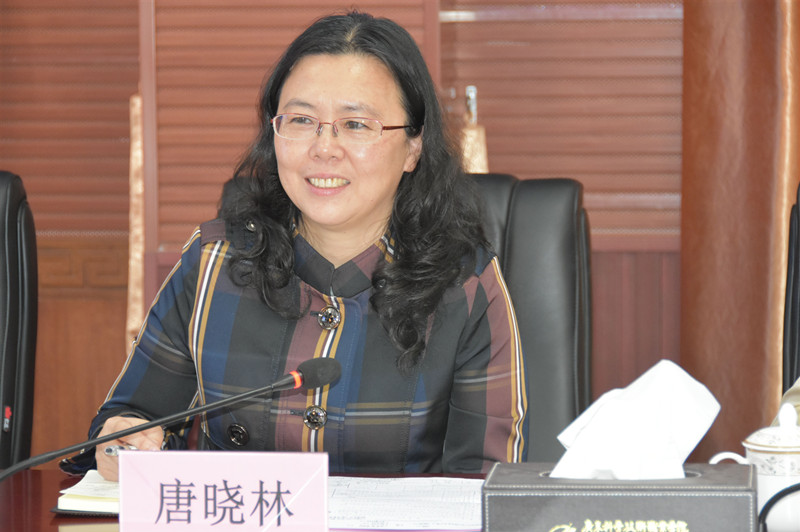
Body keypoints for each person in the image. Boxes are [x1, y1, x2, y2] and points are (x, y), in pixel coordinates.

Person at [82, 11, 527, 481]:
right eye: (301, 119)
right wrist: (123, 442)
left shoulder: (466, 287)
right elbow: (133, 419)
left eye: (356, 124)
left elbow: (486, 486)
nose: (324, 148)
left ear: (413, 147)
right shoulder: (214, 264)